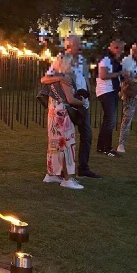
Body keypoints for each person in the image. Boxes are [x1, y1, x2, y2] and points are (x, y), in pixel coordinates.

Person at [42, 35, 101, 179]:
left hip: (82, 102)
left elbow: (86, 78)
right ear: (69, 46)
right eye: (78, 45)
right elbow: (45, 79)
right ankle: (61, 171)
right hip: (67, 105)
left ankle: (84, 168)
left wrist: (88, 93)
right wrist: (60, 78)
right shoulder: (61, 60)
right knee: (65, 138)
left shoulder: (82, 61)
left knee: (87, 135)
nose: (81, 47)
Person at [41, 60, 84, 190]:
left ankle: (52, 174)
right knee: (66, 145)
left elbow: (42, 79)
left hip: (53, 114)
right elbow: (70, 99)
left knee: (54, 145)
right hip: (63, 116)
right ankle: (67, 178)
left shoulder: (51, 78)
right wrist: (82, 102)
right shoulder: (65, 78)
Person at [95, 40, 125, 156]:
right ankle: (107, 148)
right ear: (115, 48)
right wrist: (118, 74)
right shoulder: (106, 59)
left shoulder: (112, 60)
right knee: (110, 121)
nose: (121, 52)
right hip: (106, 91)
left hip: (111, 91)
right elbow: (103, 75)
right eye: (120, 50)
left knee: (108, 120)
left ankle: (102, 147)